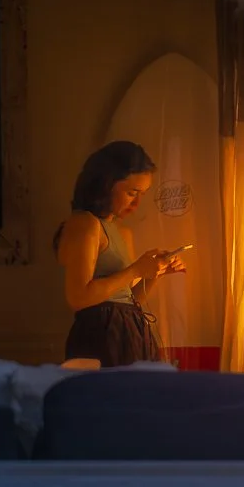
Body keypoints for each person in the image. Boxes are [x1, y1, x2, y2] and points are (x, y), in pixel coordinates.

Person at [53, 141, 185, 367]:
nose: (137, 203)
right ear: (106, 184)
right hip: (102, 335)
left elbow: (130, 301)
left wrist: (154, 273)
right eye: (132, 193)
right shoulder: (86, 224)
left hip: (131, 331)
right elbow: (78, 298)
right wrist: (135, 270)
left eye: (142, 194)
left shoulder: (123, 232)